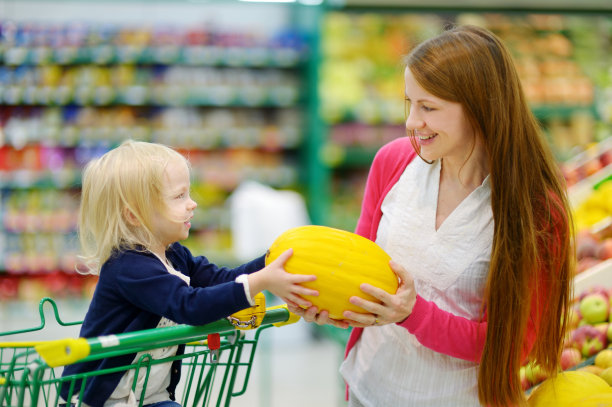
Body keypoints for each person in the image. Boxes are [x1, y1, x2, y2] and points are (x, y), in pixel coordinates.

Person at [287, 25, 573, 406]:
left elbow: (515, 346)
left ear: (479, 107)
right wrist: (335, 306)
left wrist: (414, 314)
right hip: (366, 389)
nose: (411, 122)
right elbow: (354, 265)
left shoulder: (534, 212)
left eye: (429, 107)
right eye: (410, 103)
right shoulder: (393, 163)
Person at [60, 140, 317, 407]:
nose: (192, 203)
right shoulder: (128, 267)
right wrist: (260, 281)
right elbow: (189, 306)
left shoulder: (175, 255)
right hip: (99, 398)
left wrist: (270, 261)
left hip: (149, 398)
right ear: (135, 215)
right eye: (179, 196)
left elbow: (220, 279)